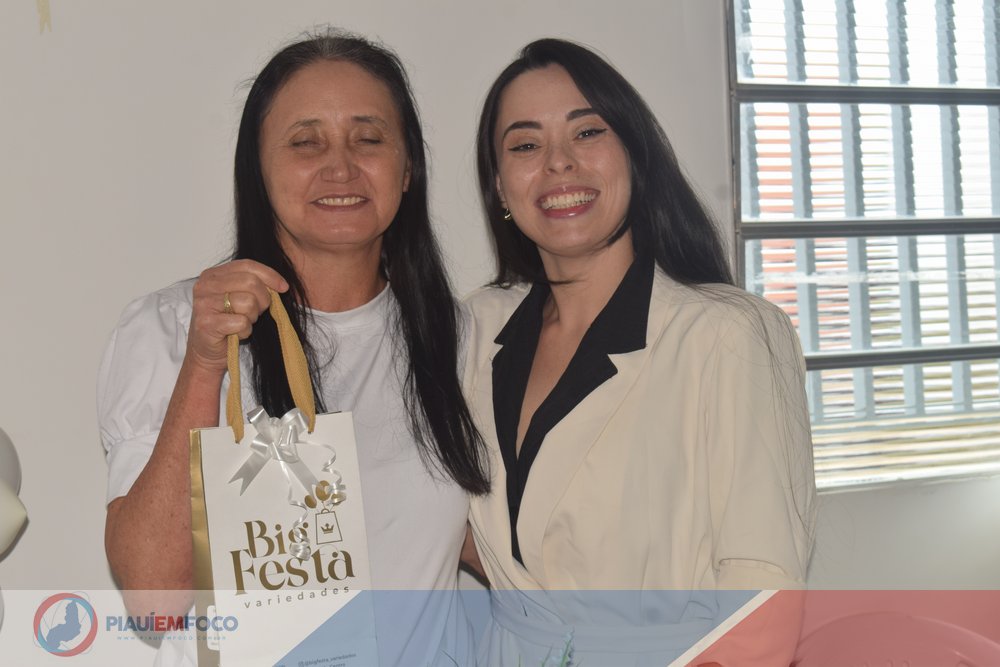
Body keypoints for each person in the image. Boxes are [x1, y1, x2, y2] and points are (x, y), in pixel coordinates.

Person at [98, 30, 488, 667]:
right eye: (306, 142)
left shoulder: (462, 339)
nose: (341, 167)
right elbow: (154, 599)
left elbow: (514, 550)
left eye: (368, 139)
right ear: (257, 169)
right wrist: (205, 362)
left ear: (408, 168)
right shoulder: (172, 327)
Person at [461, 38, 818, 666]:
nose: (558, 163)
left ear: (634, 154)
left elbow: (761, 610)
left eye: (587, 132)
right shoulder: (475, 326)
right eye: (525, 145)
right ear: (499, 186)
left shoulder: (728, 335)